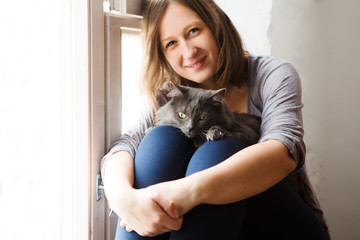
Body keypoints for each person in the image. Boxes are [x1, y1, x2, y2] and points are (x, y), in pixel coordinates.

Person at [101, 0, 330, 239]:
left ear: (215, 25)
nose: (189, 52)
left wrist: (190, 192)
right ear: (162, 54)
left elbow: (284, 152)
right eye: (171, 43)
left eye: (193, 31)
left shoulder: (271, 75)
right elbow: (125, 145)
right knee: (162, 137)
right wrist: (123, 198)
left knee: (219, 149)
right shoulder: (168, 94)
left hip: (281, 227)